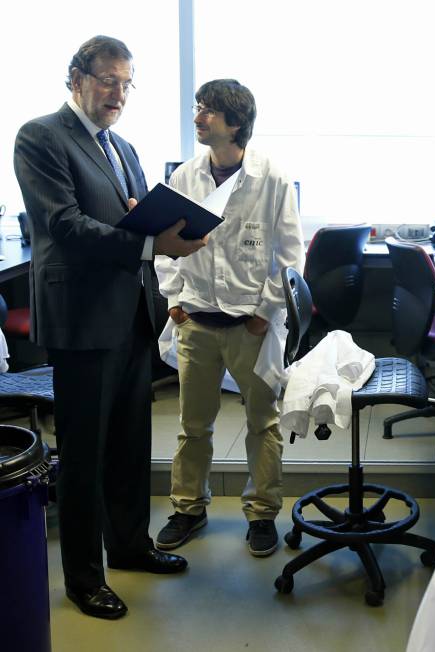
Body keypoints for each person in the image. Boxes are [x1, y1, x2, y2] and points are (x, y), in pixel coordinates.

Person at [13, 35, 206, 620]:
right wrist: (151, 241)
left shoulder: (121, 146)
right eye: (106, 80)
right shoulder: (41, 136)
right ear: (76, 77)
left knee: (128, 443)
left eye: (126, 83)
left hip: (131, 316)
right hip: (83, 320)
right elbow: (64, 225)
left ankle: (128, 546)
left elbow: (126, 213)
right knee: (85, 451)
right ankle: (82, 577)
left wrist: (160, 224)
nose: (117, 93)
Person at [155, 79, 304, 557]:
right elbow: (163, 249)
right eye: (198, 109)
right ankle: (187, 509)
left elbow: (289, 259)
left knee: (263, 423)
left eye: (207, 112)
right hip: (196, 321)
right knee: (192, 426)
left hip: (250, 327)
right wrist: (174, 300)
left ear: (234, 123)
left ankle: (261, 514)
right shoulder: (184, 178)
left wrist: (263, 313)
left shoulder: (272, 180)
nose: (197, 118)